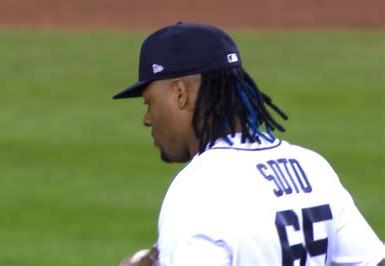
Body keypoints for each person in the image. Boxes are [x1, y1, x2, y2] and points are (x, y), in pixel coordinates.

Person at [113, 22, 384, 266]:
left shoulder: (198, 189)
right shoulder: (310, 166)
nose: (148, 119)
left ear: (180, 93)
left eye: (149, 103)